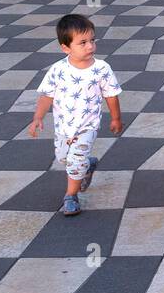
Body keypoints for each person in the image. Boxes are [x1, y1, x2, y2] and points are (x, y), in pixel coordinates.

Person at [29, 14, 124, 216]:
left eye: (92, 40)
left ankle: (70, 197)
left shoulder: (101, 69)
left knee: (74, 162)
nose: (90, 46)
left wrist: (116, 118)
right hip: (63, 127)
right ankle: (88, 165)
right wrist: (38, 117)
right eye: (82, 43)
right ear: (66, 48)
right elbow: (47, 95)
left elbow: (112, 95)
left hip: (87, 127)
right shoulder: (58, 70)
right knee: (63, 158)